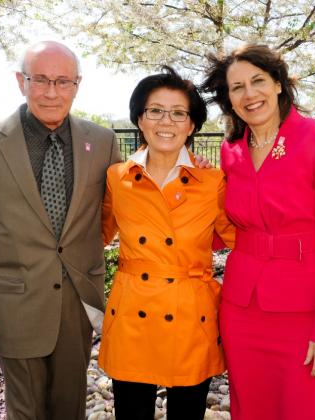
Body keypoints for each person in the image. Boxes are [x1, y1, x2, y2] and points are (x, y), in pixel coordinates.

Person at [0, 41, 121, 419]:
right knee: (25, 409)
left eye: (63, 81)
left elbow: (121, 206)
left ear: (77, 85)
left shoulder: (103, 142)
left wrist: (190, 166)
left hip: (78, 303)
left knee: (69, 407)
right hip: (14, 304)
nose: (52, 92)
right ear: (20, 81)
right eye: (40, 79)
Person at [201, 44, 315, 419]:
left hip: (304, 314)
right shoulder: (231, 150)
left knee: (305, 409)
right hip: (242, 311)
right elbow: (225, 228)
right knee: (249, 409)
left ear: (278, 84)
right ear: (229, 99)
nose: (249, 94)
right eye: (237, 87)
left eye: (258, 81)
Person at [98, 66, 236, 420]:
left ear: (191, 125)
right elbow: (93, 236)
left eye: (179, 113)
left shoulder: (213, 181)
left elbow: (242, 238)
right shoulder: (117, 177)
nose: (167, 121)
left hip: (191, 314)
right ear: (139, 119)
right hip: (133, 312)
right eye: (155, 111)